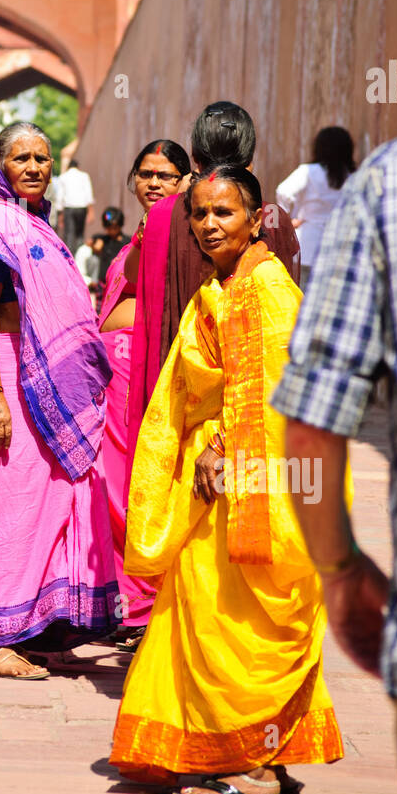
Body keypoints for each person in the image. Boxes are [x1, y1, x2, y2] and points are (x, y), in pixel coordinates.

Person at [110, 166, 344, 794]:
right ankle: (249, 753)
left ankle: (257, 766)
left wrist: (220, 448)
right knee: (203, 611)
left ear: (256, 216)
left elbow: (276, 394)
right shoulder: (228, 283)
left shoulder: (265, 289)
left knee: (237, 620)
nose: (209, 225)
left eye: (224, 213)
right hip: (216, 480)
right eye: (201, 214)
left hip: (249, 481)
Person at [0, 122, 118, 679]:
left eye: (42, 157)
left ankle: (31, 626)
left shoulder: (33, 224)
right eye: (21, 158)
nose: (34, 167)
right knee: (2, 499)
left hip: (42, 379)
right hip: (7, 375)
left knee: (51, 497)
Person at [271, 135, 397, 794]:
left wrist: (339, 570)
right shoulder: (366, 180)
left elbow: (313, 424)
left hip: (327, 278)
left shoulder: (389, 182)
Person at [124, 103, 300, 528]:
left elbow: (151, 321)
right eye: (204, 215)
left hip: (187, 409)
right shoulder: (273, 219)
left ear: (194, 159)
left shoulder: (164, 214)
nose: (209, 225)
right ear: (252, 160)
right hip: (251, 412)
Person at [98, 140, 190, 645]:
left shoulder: (188, 232)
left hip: (148, 375)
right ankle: (127, 600)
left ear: (185, 180)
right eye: (146, 173)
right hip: (116, 380)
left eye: (167, 175)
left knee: (142, 485)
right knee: (114, 488)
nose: (154, 183)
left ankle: (148, 604)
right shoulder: (142, 231)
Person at [276, 126, 355, 288]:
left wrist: (288, 218)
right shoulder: (353, 176)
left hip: (307, 245)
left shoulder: (309, 171)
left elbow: (282, 191)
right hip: (340, 249)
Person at [56, 158, 94, 256]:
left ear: (68, 167)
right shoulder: (84, 176)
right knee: (80, 234)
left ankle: (69, 258)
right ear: (78, 167)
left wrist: (60, 216)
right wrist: (91, 212)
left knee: (69, 234)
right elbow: (88, 193)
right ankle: (79, 257)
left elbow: (60, 196)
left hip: (69, 207)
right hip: (82, 207)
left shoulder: (63, 177)